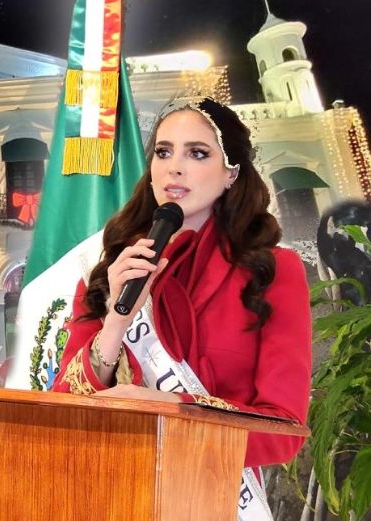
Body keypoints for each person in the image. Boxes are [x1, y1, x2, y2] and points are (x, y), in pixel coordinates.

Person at [50, 97, 311, 520]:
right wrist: (116, 321)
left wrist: (164, 411)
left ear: (231, 174)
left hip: (213, 500)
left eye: (197, 153)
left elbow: (283, 430)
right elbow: (65, 406)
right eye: (164, 151)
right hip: (114, 497)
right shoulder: (110, 268)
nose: (175, 167)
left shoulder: (273, 270)